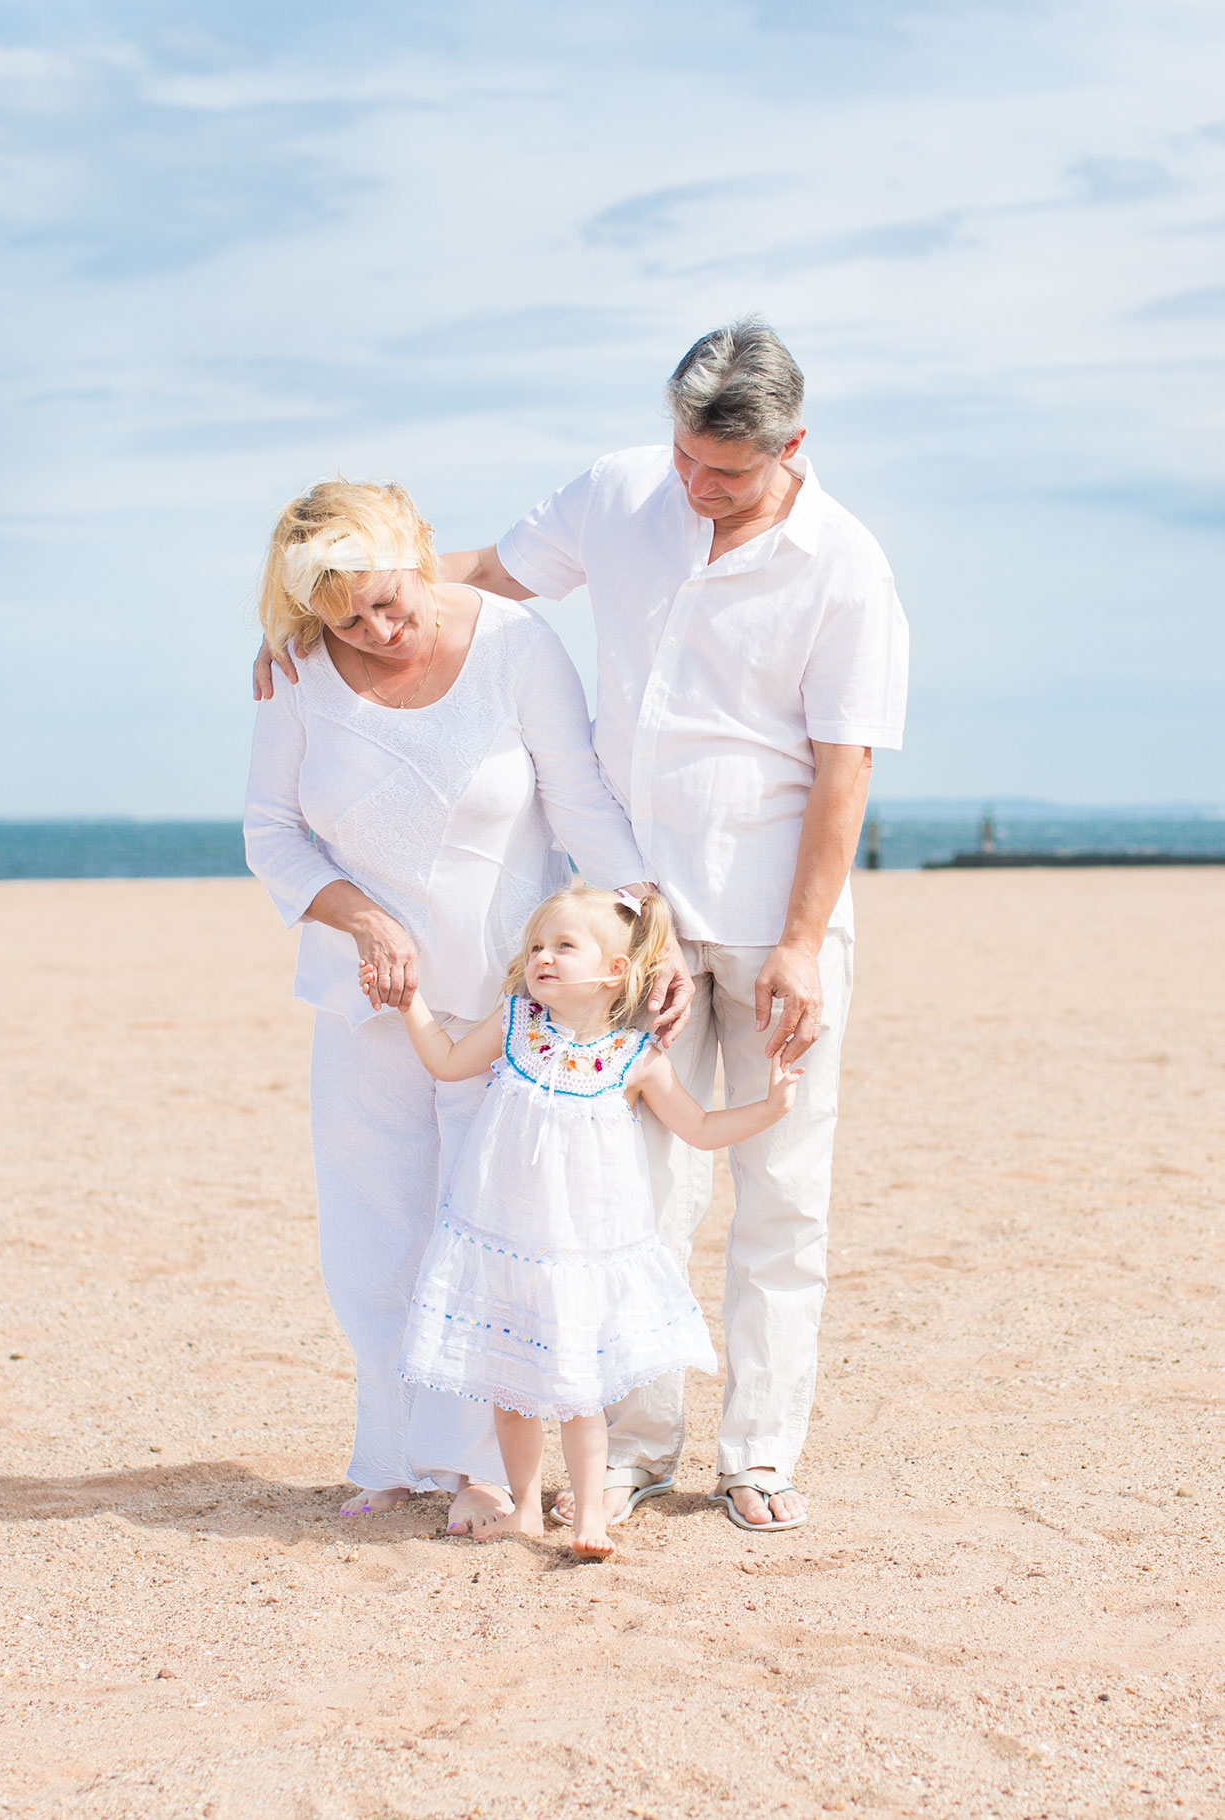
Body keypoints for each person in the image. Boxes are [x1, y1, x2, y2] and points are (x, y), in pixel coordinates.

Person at [255, 316, 909, 1534]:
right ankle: (641, 1451)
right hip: (625, 917)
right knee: (631, 1195)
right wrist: (312, 605)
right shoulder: (621, 492)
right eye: (685, 459)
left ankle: (759, 1454)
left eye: (726, 471)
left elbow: (844, 769)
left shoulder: (846, 566)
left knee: (779, 1187)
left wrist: (804, 939)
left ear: (791, 446)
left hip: (772, 911)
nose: (697, 489)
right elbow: (488, 573)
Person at [244, 477, 668, 1534]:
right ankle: (399, 1454)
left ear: (420, 556)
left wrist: (646, 921)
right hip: (369, 999)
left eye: (393, 601)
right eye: (349, 618)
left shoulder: (518, 642)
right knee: (374, 1227)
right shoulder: (295, 672)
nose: (380, 631)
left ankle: (486, 1471)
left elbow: (574, 795)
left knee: (492, 1230)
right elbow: (271, 831)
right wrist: (363, 921)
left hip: (507, 997)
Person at [387, 885, 802, 1559]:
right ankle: (523, 1507)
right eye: (536, 948)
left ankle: (591, 1522)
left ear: (615, 971)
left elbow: (697, 1127)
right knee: (512, 1387)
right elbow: (445, 1060)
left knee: (580, 1393)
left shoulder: (635, 1057)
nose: (543, 959)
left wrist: (770, 1109)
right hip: (506, 1243)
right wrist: (410, 1003)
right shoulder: (517, 1024)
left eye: (563, 947)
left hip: (579, 1252)